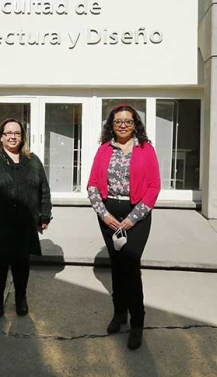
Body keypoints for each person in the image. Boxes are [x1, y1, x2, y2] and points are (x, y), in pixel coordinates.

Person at [87, 104, 161, 350]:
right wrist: (104, 214)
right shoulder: (104, 149)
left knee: (130, 266)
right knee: (116, 266)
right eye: (118, 121)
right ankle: (119, 314)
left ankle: (137, 323)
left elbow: (153, 187)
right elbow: (93, 185)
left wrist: (132, 218)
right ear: (111, 124)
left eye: (127, 121)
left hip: (136, 216)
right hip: (109, 214)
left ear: (135, 124)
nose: (122, 125)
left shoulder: (146, 149)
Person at [0, 118, 52, 318]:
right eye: (8, 133)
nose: (13, 137)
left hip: (24, 224)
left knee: (21, 264)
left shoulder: (32, 160)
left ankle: (20, 298)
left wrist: (44, 214)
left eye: (17, 133)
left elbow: (44, 188)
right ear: (1, 136)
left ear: (23, 137)